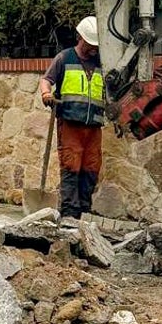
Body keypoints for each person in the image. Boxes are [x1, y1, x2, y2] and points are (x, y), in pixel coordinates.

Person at [38, 16, 104, 219]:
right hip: (70, 123)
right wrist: (46, 94)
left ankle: (84, 210)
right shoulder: (64, 58)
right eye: (91, 44)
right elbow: (46, 80)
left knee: (91, 169)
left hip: (93, 125)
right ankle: (70, 214)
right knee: (71, 167)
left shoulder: (102, 63)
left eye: (96, 45)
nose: (94, 48)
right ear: (80, 38)